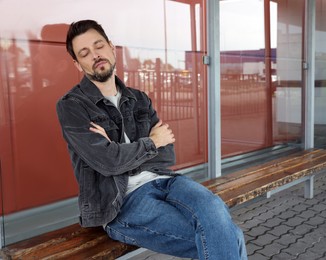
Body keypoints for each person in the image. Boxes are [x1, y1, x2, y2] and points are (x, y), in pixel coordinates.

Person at [56, 19, 247, 260]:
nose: (95, 55)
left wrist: (119, 150)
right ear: (77, 63)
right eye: (85, 52)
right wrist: (150, 143)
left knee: (214, 209)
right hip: (122, 202)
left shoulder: (139, 98)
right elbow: (108, 163)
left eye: (99, 45)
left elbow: (166, 154)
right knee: (231, 237)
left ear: (111, 47)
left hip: (166, 180)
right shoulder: (72, 106)